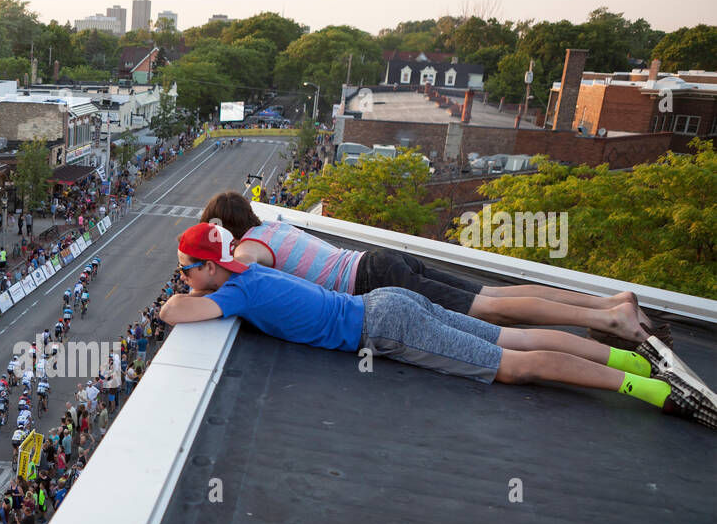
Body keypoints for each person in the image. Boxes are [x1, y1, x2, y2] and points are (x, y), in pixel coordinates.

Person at [164, 222, 716, 429]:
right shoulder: (251, 271)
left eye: (188, 267)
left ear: (211, 266)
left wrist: (189, 289)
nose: (185, 277)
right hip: (386, 296)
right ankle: (631, 358)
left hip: (383, 327)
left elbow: (175, 311)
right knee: (511, 332)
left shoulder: (234, 291)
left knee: (513, 368)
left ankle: (649, 391)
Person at [199, 191, 669, 347]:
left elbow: (237, 285)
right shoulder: (276, 225)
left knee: (491, 311)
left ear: (223, 227)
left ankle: (607, 320)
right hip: (377, 262)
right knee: (496, 295)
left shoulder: (247, 251)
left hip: (373, 280)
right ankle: (607, 301)